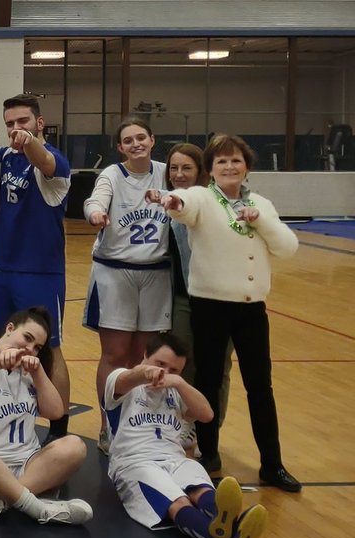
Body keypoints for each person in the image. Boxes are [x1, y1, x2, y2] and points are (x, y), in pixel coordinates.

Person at [158, 134, 300, 492]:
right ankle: (209, 455)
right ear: (211, 169)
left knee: (260, 386)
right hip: (210, 307)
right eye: (221, 162)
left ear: (247, 166)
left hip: (251, 310)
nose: (229, 167)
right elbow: (183, 204)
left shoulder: (261, 203)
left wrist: (259, 220)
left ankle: (272, 463)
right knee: (207, 379)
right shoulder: (203, 198)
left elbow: (287, 247)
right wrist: (172, 200)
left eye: (235, 160)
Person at [0, 94, 73, 440]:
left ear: (39, 123)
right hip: (7, 270)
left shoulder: (54, 160)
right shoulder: (6, 157)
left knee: (50, 347)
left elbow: (44, 160)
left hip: (41, 271)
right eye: (10, 123)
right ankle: (3, 416)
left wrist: (29, 142)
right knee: (3, 344)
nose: (15, 129)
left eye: (22, 121)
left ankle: (59, 426)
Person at [104, 333, 266, 538]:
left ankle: (224, 524)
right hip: (134, 463)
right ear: (145, 355)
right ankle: (225, 536)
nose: (165, 373)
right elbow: (127, 378)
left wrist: (179, 383)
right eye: (160, 364)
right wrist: (146, 372)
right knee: (178, 502)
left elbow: (207, 414)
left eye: (174, 370)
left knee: (199, 487)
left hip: (175, 458)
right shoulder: (121, 380)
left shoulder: (175, 390)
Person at [82, 118, 173, 455]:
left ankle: (136, 422)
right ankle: (108, 424)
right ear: (120, 147)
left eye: (141, 138)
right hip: (116, 272)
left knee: (142, 356)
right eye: (128, 140)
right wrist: (95, 214)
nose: (135, 144)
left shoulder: (166, 172)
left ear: (152, 139)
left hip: (157, 273)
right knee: (115, 354)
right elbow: (95, 200)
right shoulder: (111, 175)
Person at [0, 306, 93, 525]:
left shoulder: (31, 371)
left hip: (27, 466)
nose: (29, 349)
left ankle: (1, 503)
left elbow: (56, 412)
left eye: (37, 347)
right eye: (26, 338)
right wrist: (1, 355)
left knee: (75, 446)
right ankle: (39, 509)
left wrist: (38, 373)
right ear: (9, 328)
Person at [150, 143, 232, 448]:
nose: (179, 174)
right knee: (184, 361)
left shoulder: (216, 203)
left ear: (200, 172)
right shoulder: (168, 205)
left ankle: (209, 426)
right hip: (184, 297)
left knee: (218, 365)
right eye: (173, 168)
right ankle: (183, 421)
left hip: (221, 299)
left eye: (187, 168)